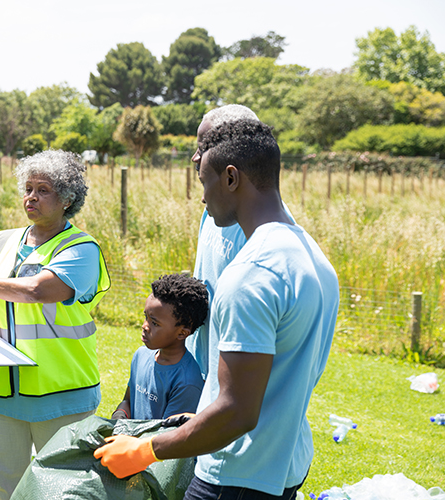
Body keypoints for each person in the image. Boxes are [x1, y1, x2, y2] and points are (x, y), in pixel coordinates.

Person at [94, 119, 340, 500]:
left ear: (230, 178)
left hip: (237, 471)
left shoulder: (250, 274)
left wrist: (144, 451)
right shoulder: (311, 257)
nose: (203, 198)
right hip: (286, 463)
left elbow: (237, 411)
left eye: (204, 181)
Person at [0, 149, 111, 500]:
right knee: (4, 490)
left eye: (44, 190)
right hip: (1, 395)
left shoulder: (82, 248)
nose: (31, 197)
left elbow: (40, 290)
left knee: (62, 492)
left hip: (62, 397)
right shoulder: (5, 240)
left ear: (67, 199)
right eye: (28, 188)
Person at [187, 104, 294, 380]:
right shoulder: (213, 212)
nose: (196, 156)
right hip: (199, 375)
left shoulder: (264, 231)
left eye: (206, 145)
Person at [111, 273, 208, 420]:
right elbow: (128, 401)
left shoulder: (187, 382)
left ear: (182, 333)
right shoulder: (140, 355)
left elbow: (168, 435)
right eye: (146, 317)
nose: (145, 326)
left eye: (154, 323)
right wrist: (119, 417)